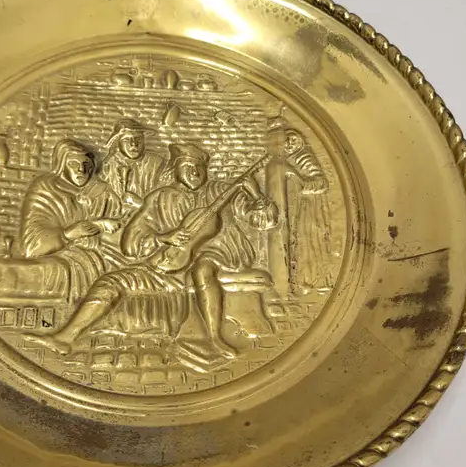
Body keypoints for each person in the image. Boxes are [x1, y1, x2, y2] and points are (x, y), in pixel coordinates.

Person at [22, 143, 277, 359]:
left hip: (220, 255)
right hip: (164, 264)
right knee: (110, 283)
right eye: (187, 167)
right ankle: (64, 338)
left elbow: (264, 221)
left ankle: (215, 337)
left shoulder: (221, 191)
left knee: (203, 269)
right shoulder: (160, 198)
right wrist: (164, 236)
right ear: (176, 170)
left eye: (199, 167)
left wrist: (256, 194)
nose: (194, 172)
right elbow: (131, 243)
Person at [18, 138, 124, 299]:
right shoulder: (46, 189)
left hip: (106, 254)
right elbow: (31, 245)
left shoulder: (103, 191)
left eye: (86, 165)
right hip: (65, 256)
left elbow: (120, 224)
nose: (81, 170)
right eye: (73, 164)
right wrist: (67, 234)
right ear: (62, 165)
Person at [281, 129, 333, 292]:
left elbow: (321, 183)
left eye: (292, 140)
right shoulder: (286, 160)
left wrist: (300, 184)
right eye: (285, 141)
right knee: (299, 245)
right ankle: (303, 280)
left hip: (309, 209)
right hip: (297, 208)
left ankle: (315, 280)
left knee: (310, 244)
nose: (289, 144)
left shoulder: (304, 158)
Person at [99, 117, 169, 208]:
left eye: (138, 139)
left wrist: (141, 204)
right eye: (127, 140)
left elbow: (166, 202)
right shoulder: (108, 166)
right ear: (117, 143)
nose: (134, 144)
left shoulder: (157, 164)